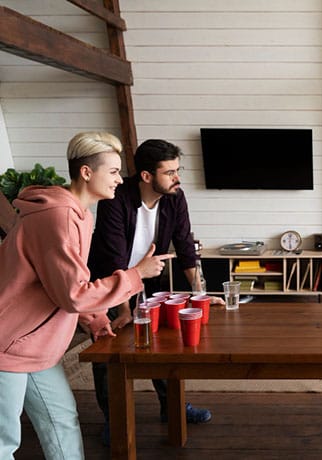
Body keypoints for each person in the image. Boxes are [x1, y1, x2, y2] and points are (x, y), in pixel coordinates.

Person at [0, 132, 171, 459]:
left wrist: (95, 320)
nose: (121, 180)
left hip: (35, 343)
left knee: (61, 419)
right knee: (3, 442)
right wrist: (137, 274)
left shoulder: (78, 214)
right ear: (86, 172)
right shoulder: (60, 217)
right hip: (8, 342)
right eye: (114, 171)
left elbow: (63, 281)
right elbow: (73, 295)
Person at [88, 138, 220, 444]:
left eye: (177, 170)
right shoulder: (116, 197)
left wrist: (200, 292)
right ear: (147, 176)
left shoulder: (175, 196)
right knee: (110, 353)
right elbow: (113, 256)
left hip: (147, 279)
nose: (177, 178)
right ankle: (114, 418)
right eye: (170, 172)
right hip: (109, 282)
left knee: (161, 345)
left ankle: (171, 406)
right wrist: (123, 309)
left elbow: (185, 246)